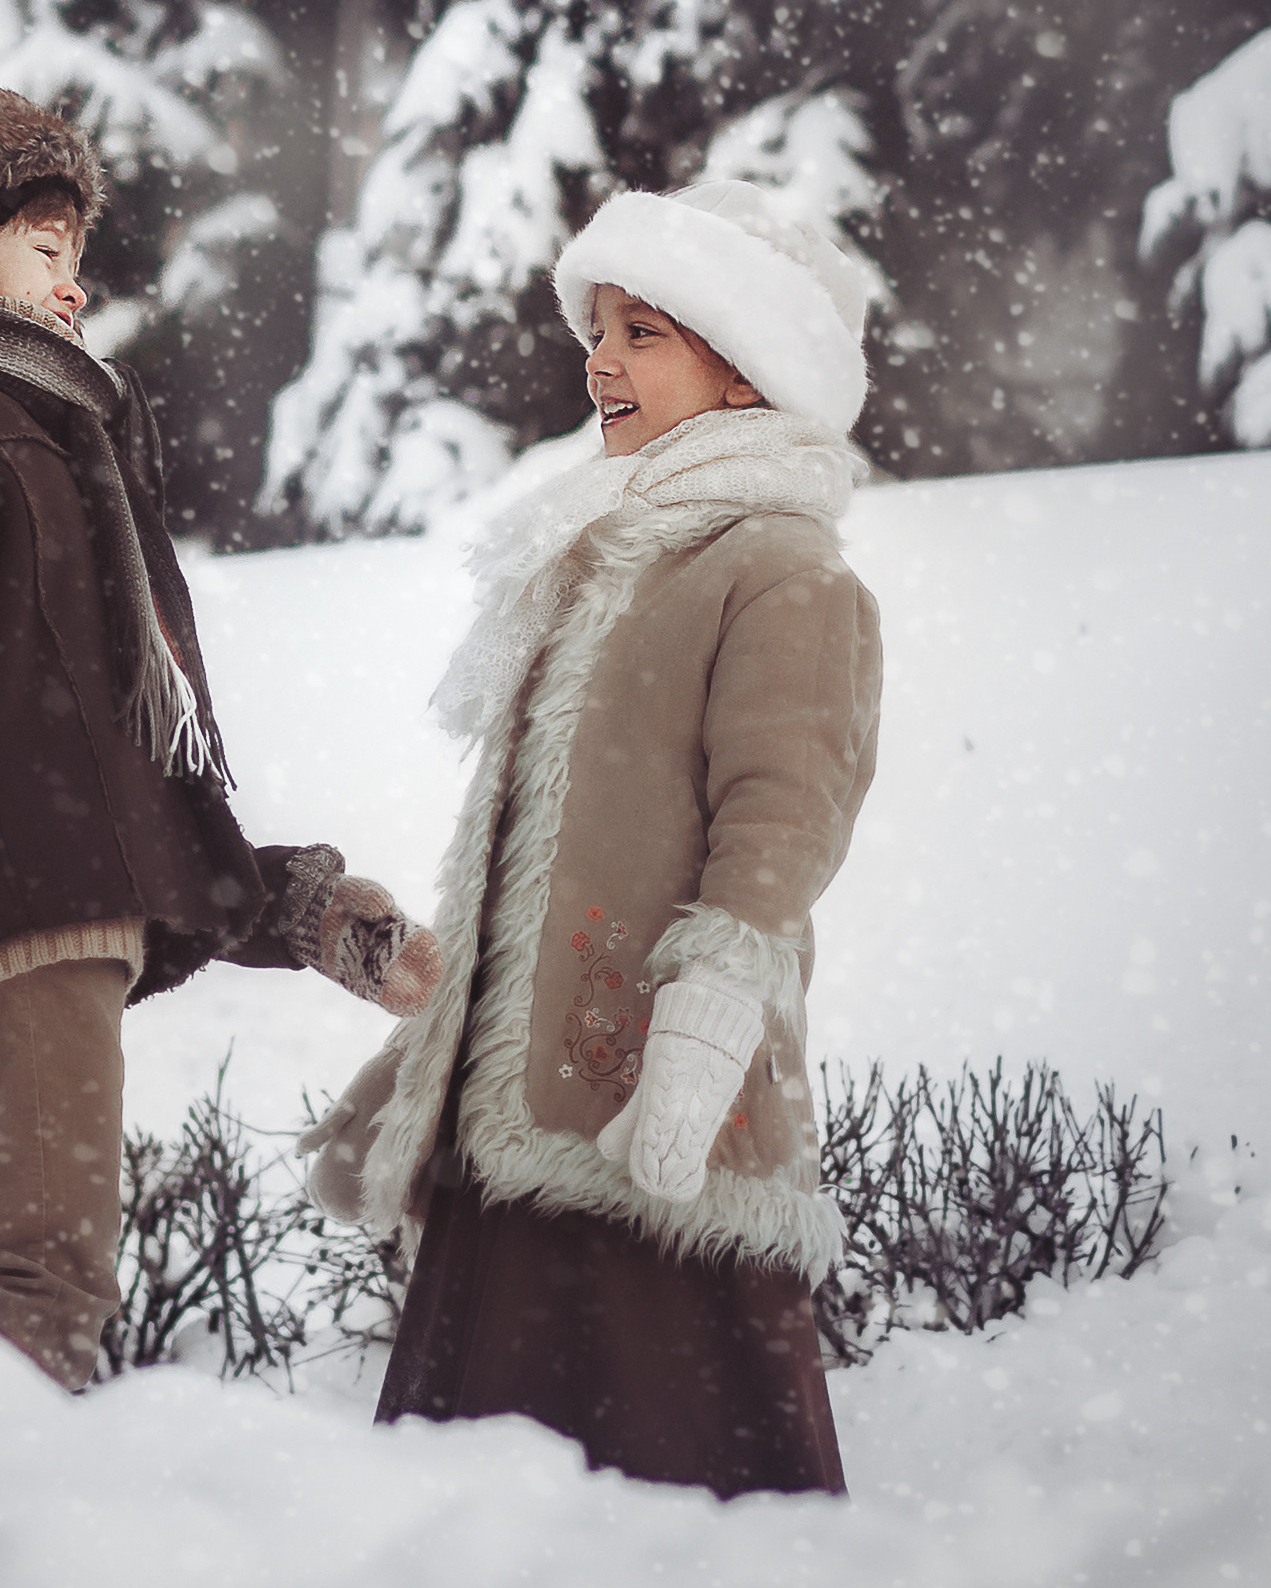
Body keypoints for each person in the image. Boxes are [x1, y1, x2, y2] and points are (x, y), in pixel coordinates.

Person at [0, 84, 438, 1389]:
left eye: (78, 257)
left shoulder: (31, 416)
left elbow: (102, 769)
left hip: (10, 915)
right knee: (42, 1278)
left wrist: (294, 908)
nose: (77, 289)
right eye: (46, 250)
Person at [303, 178, 881, 1494]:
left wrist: (701, 1037)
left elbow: (782, 819)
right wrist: (440, 1053)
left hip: (654, 1103)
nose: (599, 360)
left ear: (746, 376)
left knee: (681, 1472)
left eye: (644, 333)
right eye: (598, 330)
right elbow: (536, 851)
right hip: (523, 1120)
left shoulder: (782, 568)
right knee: (475, 1516)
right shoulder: (603, 555)